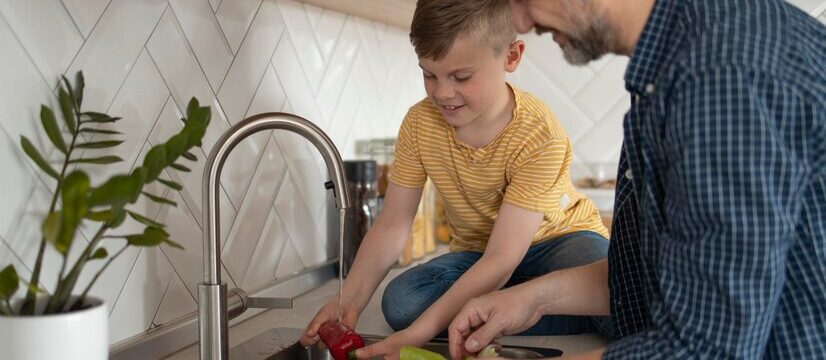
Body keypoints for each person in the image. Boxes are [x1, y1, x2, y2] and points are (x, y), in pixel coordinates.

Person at [448, 0, 826, 359]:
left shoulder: (718, 76)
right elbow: (674, 272)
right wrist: (534, 299)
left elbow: (705, 349)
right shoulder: (685, 55)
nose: (521, 22)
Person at [300, 0, 613, 358]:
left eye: (461, 77)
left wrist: (417, 334)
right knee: (402, 302)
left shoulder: (539, 134)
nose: (442, 93)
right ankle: (517, 306)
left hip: (562, 243)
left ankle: (525, 303)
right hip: (479, 255)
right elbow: (392, 225)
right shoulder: (419, 124)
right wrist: (349, 299)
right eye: (429, 75)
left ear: (511, 57)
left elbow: (504, 257)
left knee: (623, 293)